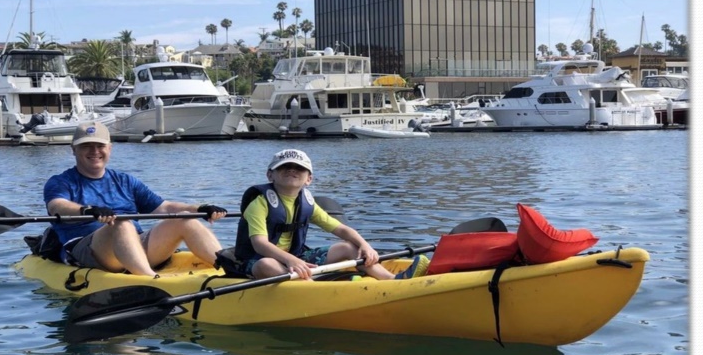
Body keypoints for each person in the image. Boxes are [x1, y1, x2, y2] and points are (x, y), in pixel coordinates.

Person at [44, 121, 228, 277]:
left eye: (100, 146)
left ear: (109, 148)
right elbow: (57, 206)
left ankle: (230, 267)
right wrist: (86, 210)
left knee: (184, 218)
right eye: (86, 146)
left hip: (135, 244)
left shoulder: (125, 180)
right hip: (91, 250)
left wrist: (201, 208)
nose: (94, 151)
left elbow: (164, 207)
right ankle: (150, 280)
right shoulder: (61, 182)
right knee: (122, 223)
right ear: (73, 150)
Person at [234, 148, 429, 280]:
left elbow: (341, 229)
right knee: (267, 264)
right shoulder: (259, 203)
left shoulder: (307, 202)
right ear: (270, 175)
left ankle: (392, 280)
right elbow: (259, 243)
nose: (292, 170)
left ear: (308, 179)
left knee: (349, 248)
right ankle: (313, 289)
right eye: (284, 167)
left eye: (299, 168)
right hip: (257, 259)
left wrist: (365, 246)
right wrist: (291, 261)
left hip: (296, 256)